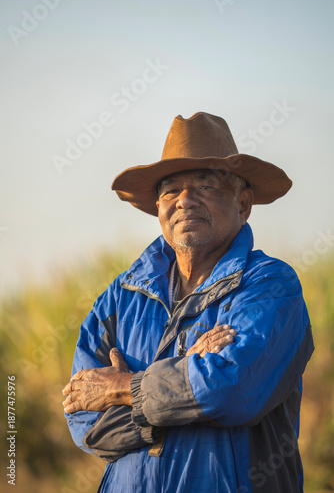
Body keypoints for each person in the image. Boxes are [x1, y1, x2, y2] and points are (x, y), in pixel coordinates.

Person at [62, 112, 314, 493]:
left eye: (206, 186)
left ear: (243, 203)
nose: (185, 201)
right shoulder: (120, 297)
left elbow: (234, 391)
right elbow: (85, 421)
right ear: (159, 207)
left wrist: (123, 389)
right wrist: (187, 375)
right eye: (170, 189)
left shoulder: (270, 285)